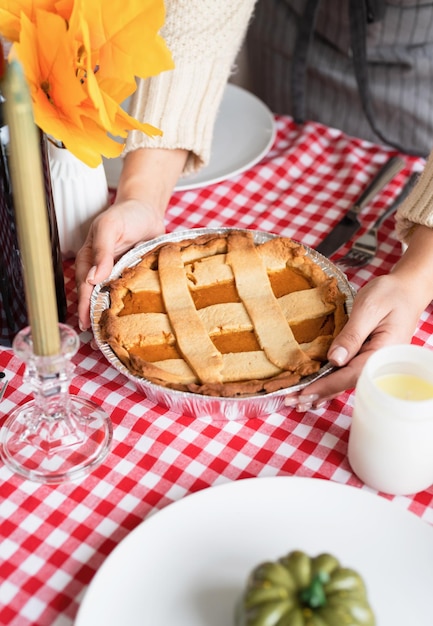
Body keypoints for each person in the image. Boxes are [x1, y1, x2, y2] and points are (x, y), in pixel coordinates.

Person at [75, 0, 433, 408]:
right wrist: (143, 193)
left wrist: (418, 274)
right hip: (289, 36)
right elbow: (198, 14)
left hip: (416, 62)